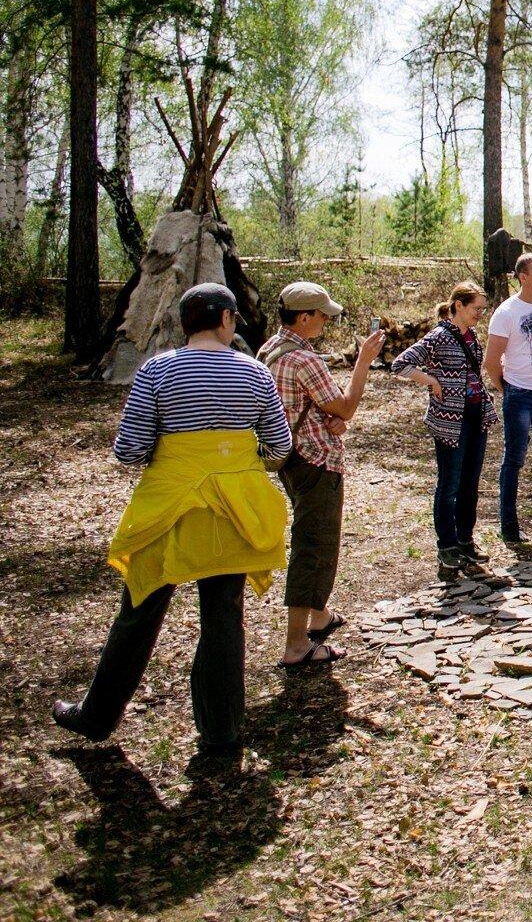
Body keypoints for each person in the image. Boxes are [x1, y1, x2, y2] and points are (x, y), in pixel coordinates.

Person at [53, 284, 294, 762]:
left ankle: (97, 717)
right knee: (223, 615)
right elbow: (279, 445)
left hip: (170, 505)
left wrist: (177, 454)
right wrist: (235, 462)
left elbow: (129, 450)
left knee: (140, 608)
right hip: (234, 508)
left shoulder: (157, 370)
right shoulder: (253, 372)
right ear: (227, 319)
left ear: (185, 323)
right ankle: (221, 732)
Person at [259, 281, 383, 668]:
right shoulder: (304, 360)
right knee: (315, 546)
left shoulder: (269, 350)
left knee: (315, 538)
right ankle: (297, 644)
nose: (327, 322)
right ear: (305, 317)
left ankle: (319, 616)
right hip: (316, 462)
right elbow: (344, 407)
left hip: (290, 459)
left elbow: (293, 406)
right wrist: (363, 362)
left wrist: (324, 418)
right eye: (323, 315)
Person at [390, 279, 502, 583]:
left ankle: (465, 540)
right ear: (458, 306)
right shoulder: (439, 336)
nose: (480, 313)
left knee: (470, 484)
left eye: (482, 309)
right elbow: (400, 364)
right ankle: (447, 546)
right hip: (450, 421)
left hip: (476, 416)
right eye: (475, 308)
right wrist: (432, 382)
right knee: (449, 485)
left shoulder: (472, 336)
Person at [484, 253, 532, 546]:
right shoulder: (506, 313)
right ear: (523, 277)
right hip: (519, 393)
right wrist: (507, 388)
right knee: (514, 459)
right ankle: (509, 525)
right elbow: (492, 361)